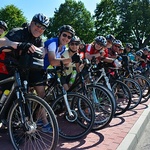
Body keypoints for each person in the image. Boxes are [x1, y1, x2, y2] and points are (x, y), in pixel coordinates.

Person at [0, 13, 51, 131]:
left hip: (24, 70)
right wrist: (18, 45)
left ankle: (15, 125)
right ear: (32, 23)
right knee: (5, 92)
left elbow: (42, 51)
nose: (39, 29)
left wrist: (41, 51)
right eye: (37, 25)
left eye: (43, 28)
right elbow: (2, 42)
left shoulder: (39, 40)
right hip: (8, 67)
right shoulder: (18, 31)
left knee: (22, 96)